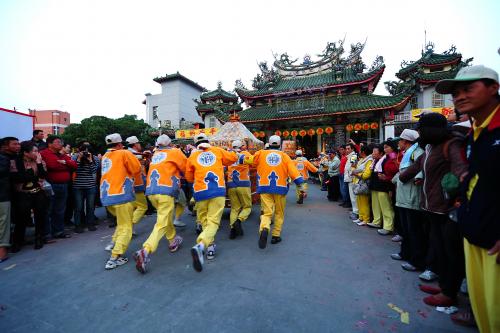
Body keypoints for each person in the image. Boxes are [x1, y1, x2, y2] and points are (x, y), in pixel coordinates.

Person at [436, 65, 500, 332]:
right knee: (484, 309)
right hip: (474, 230)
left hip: (495, 240)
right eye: (455, 93)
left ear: (493, 88)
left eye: (468, 89)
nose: (460, 97)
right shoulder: (476, 132)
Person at [400, 112, 468, 307]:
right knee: (439, 247)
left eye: (421, 129)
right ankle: (444, 285)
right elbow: (417, 166)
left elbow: (460, 169)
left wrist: (463, 188)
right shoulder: (429, 148)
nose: (419, 132)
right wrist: (402, 177)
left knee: (450, 252)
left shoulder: (450, 145)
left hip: (445, 208)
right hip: (430, 206)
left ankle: (449, 292)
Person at [134, 134, 187, 274]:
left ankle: (172, 240)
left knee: (165, 217)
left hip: (151, 191)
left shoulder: (156, 154)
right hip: (166, 191)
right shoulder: (174, 152)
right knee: (161, 223)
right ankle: (146, 250)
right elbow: (186, 167)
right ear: (170, 143)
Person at [186, 133, 238, 272]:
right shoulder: (217, 151)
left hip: (200, 193)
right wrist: (234, 151)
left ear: (196, 144)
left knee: (204, 220)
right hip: (217, 191)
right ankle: (202, 245)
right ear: (208, 141)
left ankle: (210, 247)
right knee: (213, 221)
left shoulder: (193, 156)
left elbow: (189, 177)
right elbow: (232, 158)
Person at [242, 135, 303, 249]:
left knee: (267, 212)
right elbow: (293, 171)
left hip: (265, 187)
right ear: (280, 145)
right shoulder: (284, 156)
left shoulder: (261, 153)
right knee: (279, 213)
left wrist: (242, 158)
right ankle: (275, 235)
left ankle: (264, 228)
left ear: (268, 143)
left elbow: (251, 161)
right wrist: (300, 184)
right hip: (280, 188)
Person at [100, 133, 142, 270]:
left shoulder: (105, 156)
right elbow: (136, 169)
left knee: (122, 223)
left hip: (107, 196)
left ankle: (113, 243)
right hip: (121, 195)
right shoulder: (124, 153)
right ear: (119, 144)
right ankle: (114, 257)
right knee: (126, 228)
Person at [390, 129, 425, 271]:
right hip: (403, 197)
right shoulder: (406, 154)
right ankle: (405, 253)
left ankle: (416, 260)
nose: (398, 143)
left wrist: (419, 177)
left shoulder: (417, 152)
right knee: (406, 229)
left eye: (400, 140)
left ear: (406, 141)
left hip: (411, 198)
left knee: (414, 230)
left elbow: (422, 165)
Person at [10, 141, 49, 252]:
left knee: (40, 216)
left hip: (38, 192)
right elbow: (16, 178)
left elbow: (43, 175)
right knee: (21, 218)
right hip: (22, 194)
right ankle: (18, 241)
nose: (38, 153)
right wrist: (32, 177)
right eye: (35, 151)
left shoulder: (39, 161)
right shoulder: (15, 162)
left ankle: (39, 239)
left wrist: (39, 163)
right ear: (26, 153)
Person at [40, 136, 77, 239]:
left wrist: (65, 162)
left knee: (60, 209)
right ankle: (47, 234)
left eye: (61, 142)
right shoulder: (44, 153)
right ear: (50, 144)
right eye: (58, 142)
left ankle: (58, 231)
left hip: (64, 184)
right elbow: (52, 166)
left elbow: (74, 165)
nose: (61, 144)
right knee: (49, 209)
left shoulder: (62, 155)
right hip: (51, 185)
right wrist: (66, 165)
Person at [367, 142, 399, 234]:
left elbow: (391, 172)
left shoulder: (387, 159)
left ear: (380, 153)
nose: (373, 153)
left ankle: (388, 226)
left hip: (383, 186)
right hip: (375, 185)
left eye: (374, 152)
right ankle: (377, 221)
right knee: (376, 206)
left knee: (386, 207)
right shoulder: (376, 160)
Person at [226, 140, 252, 239]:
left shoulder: (228, 155)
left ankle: (232, 230)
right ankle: (239, 220)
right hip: (243, 184)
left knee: (234, 208)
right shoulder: (245, 154)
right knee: (247, 207)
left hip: (231, 184)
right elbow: (253, 163)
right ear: (241, 146)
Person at [0, 137, 20, 262]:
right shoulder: (4, 159)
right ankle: (2, 251)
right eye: (15, 144)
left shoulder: (14, 158)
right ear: (5, 146)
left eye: (18, 144)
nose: (18, 146)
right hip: (3, 194)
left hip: (7, 194)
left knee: (5, 222)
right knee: (3, 222)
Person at [72, 141, 99, 233]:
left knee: (90, 206)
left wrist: (90, 160)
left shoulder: (94, 158)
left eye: (88, 151)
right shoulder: (75, 157)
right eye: (84, 151)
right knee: (78, 207)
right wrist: (79, 159)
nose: (86, 153)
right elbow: (74, 169)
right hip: (78, 186)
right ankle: (78, 225)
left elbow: (94, 171)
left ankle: (90, 223)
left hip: (90, 185)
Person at [126, 136, 148, 228]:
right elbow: (139, 169)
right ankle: (129, 225)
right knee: (143, 206)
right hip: (136, 183)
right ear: (135, 145)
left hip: (128, 184)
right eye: (139, 143)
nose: (140, 145)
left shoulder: (127, 153)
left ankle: (129, 227)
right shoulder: (135, 155)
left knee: (132, 206)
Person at [351, 145, 373, 226]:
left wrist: (358, 174)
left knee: (364, 202)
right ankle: (361, 217)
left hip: (363, 183)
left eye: (360, 150)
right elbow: (355, 168)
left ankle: (366, 219)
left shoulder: (369, 160)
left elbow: (367, 174)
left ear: (363, 152)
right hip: (358, 182)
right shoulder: (362, 159)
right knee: (359, 201)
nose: (358, 152)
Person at [344, 143, 359, 219]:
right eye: (346, 149)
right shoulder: (349, 156)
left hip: (352, 178)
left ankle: (356, 212)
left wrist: (351, 175)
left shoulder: (353, 156)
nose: (347, 150)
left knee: (353, 197)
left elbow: (353, 166)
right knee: (352, 196)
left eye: (348, 149)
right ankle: (355, 211)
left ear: (352, 149)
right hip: (350, 178)